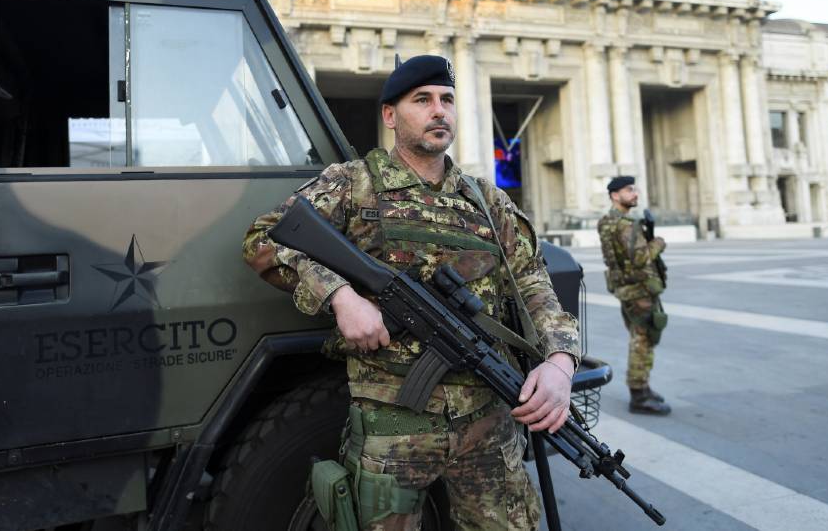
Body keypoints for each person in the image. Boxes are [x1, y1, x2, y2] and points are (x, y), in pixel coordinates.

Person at [242, 54, 580, 530]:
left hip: (489, 420)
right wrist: (341, 296)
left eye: (446, 100)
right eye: (422, 100)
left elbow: (533, 283)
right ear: (390, 115)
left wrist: (559, 363)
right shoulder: (353, 184)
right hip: (392, 427)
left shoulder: (486, 199)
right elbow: (264, 239)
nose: (438, 110)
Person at [597, 176, 671, 415]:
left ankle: (644, 388)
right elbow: (640, 258)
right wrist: (658, 242)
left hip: (626, 288)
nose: (635, 193)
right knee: (642, 340)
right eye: (629, 190)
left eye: (635, 189)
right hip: (639, 290)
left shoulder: (607, 221)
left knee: (640, 337)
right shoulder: (626, 225)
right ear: (615, 195)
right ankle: (639, 395)